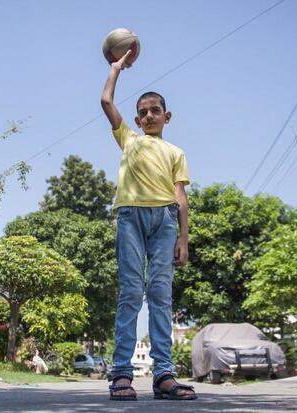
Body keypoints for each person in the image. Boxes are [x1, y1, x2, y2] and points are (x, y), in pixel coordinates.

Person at [100, 50, 197, 401]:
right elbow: (105, 100)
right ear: (137, 121)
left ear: (166, 116)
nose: (148, 115)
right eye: (142, 112)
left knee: (160, 295)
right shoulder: (129, 139)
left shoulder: (175, 152)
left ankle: (164, 376)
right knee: (130, 292)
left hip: (166, 221)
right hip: (130, 217)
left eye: (155, 110)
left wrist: (183, 237)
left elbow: (181, 195)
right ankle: (121, 374)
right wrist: (115, 69)